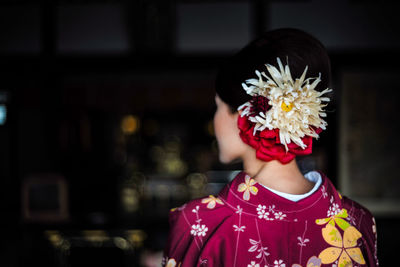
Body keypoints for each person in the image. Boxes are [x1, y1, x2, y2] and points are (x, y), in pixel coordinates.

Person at [162, 28, 378, 267]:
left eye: (218, 107)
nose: (215, 121)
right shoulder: (358, 221)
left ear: (243, 114)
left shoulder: (199, 222)